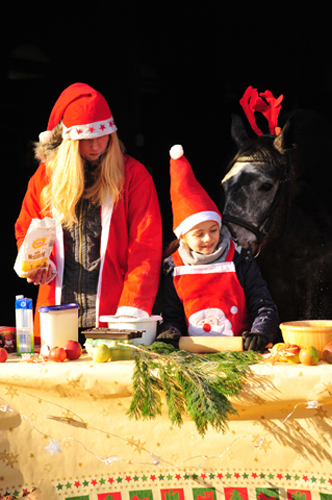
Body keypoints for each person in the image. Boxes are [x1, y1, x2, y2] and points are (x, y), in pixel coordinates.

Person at [15, 83, 162, 345]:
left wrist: (132, 308)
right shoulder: (45, 178)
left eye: (103, 135)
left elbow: (146, 248)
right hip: (56, 313)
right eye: (86, 138)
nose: (97, 146)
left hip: (115, 315)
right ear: (70, 140)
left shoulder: (134, 176)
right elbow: (27, 229)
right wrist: (40, 265)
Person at [156, 145, 279, 351]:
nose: (208, 238)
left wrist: (260, 332)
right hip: (194, 362)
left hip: (240, 356)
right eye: (199, 234)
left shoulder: (240, 260)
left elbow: (264, 307)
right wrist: (170, 333)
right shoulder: (173, 269)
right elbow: (172, 317)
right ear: (183, 237)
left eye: (213, 230)